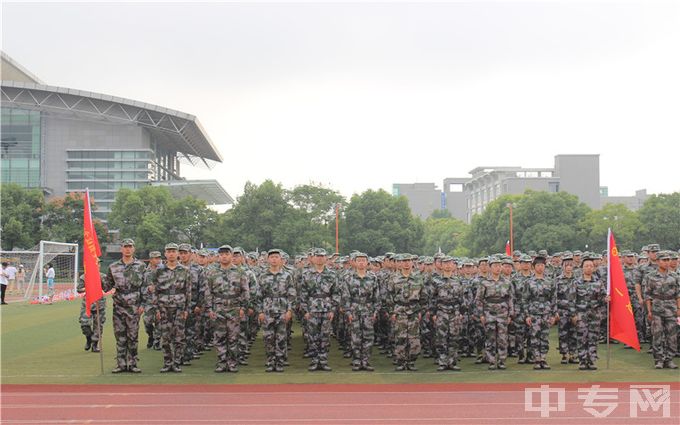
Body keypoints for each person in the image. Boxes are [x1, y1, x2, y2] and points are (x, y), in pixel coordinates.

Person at [103, 239, 147, 373]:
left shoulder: (141, 266)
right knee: (120, 336)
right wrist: (95, 278)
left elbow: (144, 286)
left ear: (134, 249)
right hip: (119, 305)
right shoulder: (113, 267)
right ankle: (121, 364)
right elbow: (107, 286)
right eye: (125, 247)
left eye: (130, 247)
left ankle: (132, 363)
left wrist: (144, 304)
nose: (128, 249)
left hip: (134, 305)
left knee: (133, 336)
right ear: (121, 249)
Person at [203, 245, 249, 373]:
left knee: (233, 337)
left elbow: (245, 291)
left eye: (227, 254)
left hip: (234, 307)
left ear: (231, 255)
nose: (224, 256)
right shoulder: (212, 272)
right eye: (221, 254)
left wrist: (243, 308)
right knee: (219, 337)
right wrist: (210, 309)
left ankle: (232, 363)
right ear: (218, 256)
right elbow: (208, 292)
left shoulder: (240, 272)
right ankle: (222, 362)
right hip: (218, 308)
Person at [152, 243, 192, 373]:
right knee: (165, 336)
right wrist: (156, 309)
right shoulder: (159, 271)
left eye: (174, 251)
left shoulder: (185, 270)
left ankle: (176, 362)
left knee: (179, 337)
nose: (171, 254)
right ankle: (167, 362)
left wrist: (186, 309)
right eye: (168, 251)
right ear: (165, 254)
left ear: (177, 253)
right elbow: (155, 291)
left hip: (179, 307)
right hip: (163, 307)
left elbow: (188, 291)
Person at [256, 249, 296, 372]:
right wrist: (260, 312)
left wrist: (289, 310)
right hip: (267, 310)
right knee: (268, 337)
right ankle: (270, 361)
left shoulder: (287, 275)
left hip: (282, 309)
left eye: (276, 257)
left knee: (281, 337)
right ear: (268, 260)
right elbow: (258, 295)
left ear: (281, 259)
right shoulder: (262, 276)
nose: (274, 259)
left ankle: (280, 361)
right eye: (271, 257)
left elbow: (291, 294)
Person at [299, 248, 338, 372]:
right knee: (313, 336)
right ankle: (315, 360)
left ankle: (323, 360)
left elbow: (336, 293)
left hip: (327, 308)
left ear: (326, 258)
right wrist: (305, 310)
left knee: (325, 336)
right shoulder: (306, 274)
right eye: (317, 256)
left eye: (322, 256)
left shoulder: (332, 274)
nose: (320, 258)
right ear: (313, 258)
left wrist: (332, 309)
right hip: (312, 309)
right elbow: (302, 294)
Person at [342, 252, 380, 371]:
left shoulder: (373, 277)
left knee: (368, 337)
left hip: (368, 311)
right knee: (355, 337)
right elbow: (345, 297)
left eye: (364, 260)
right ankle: (357, 361)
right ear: (354, 262)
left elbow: (376, 297)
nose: (361, 262)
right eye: (359, 260)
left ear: (367, 263)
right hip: (354, 310)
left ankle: (366, 361)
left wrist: (375, 312)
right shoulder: (348, 278)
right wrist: (348, 312)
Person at [388, 254, 426, 371]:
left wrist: (421, 311)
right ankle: (401, 362)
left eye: (408, 261)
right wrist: (392, 312)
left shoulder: (418, 277)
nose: (406, 263)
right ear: (399, 263)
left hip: (414, 311)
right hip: (400, 311)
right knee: (400, 338)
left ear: (412, 263)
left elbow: (423, 296)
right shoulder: (394, 278)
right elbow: (389, 296)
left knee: (414, 339)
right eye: (404, 261)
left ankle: (411, 362)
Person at [476, 257, 514, 370]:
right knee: (490, 338)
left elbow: (510, 299)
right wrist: (481, 314)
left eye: (499, 265)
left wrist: (510, 314)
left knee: (502, 338)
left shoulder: (507, 282)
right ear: (490, 267)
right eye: (495, 266)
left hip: (503, 313)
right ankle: (491, 361)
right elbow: (478, 299)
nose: (497, 268)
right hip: (489, 313)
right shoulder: (484, 282)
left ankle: (502, 360)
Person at [643, 251, 680, 369]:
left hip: (671, 309)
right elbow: (648, 295)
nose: (667, 262)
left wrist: (679, 308)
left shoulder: (675, 276)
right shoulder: (651, 276)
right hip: (657, 309)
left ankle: (669, 359)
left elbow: (678, 294)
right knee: (657, 334)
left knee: (672, 335)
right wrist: (649, 311)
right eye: (664, 260)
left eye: (668, 260)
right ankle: (659, 360)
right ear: (658, 261)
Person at [573, 255, 608, 370]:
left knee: (593, 338)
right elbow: (572, 300)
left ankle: (592, 360)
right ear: (582, 268)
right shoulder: (576, 282)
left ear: (594, 268)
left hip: (594, 315)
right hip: (581, 315)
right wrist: (573, 315)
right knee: (582, 338)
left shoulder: (598, 283)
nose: (588, 268)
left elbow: (602, 299)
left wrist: (606, 299)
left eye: (591, 266)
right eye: (586, 266)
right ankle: (582, 360)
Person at [432, 256, 466, 371]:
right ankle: (442, 362)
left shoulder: (458, 280)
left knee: (454, 338)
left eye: (449, 263)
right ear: (441, 265)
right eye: (445, 263)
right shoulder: (436, 280)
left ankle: (452, 362)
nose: (447, 265)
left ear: (453, 265)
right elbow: (432, 298)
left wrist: (462, 312)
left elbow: (462, 298)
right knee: (441, 338)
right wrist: (433, 313)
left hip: (455, 312)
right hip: (441, 311)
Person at [524, 255, 557, 370]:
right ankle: (536, 359)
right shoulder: (529, 282)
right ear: (533, 267)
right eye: (538, 265)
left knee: (544, 336)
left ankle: (543, 358)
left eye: (542, 265)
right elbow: (525, 299)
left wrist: (553, 315)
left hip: (546, 312)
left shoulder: (550, 281)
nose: (540, 267)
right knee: (534, 336)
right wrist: (527, 315)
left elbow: (553, 298)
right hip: (534, 313)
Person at [76, 259, 107, 352]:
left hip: (99, 303)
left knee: (98, 325)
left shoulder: (103, 276)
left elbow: (106, 287)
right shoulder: (84, 277)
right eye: (96, 264)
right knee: (84, 324)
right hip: (87, 303)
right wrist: (87, 287)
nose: (98, 265)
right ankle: (89, 338)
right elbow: (79, 289)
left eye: (99, 264)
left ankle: (95, 344)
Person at [142, 251, 162, 350]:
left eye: (159, 258)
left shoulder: (163, 271)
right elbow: (141, 287)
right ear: (150, 260)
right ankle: (151, 335)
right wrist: (148, 289)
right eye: (155, 258)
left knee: (159, 321)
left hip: (160, 300)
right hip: (149, 301)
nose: (157, 260)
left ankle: (157, 341)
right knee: (147, 322)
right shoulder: (145, 272)